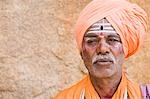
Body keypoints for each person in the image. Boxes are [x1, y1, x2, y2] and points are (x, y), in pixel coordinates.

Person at [54, 0, 149, 99]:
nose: (102, 49)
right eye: (92, 41)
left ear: (125, 48)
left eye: (112, 40)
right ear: (82, 52)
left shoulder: (145, 96)